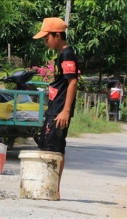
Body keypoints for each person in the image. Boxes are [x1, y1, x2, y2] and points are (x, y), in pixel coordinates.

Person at [33, 17, 79, 200]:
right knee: (50, 144)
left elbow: (73, 82)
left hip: (60, 109)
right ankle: (51, 186)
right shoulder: (61, 54)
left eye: (47, 38)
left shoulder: (67, 54)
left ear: (57, 35)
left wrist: (65, 110)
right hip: (55, 107)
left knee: (54, 147)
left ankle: (53, 189)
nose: (45, 42)